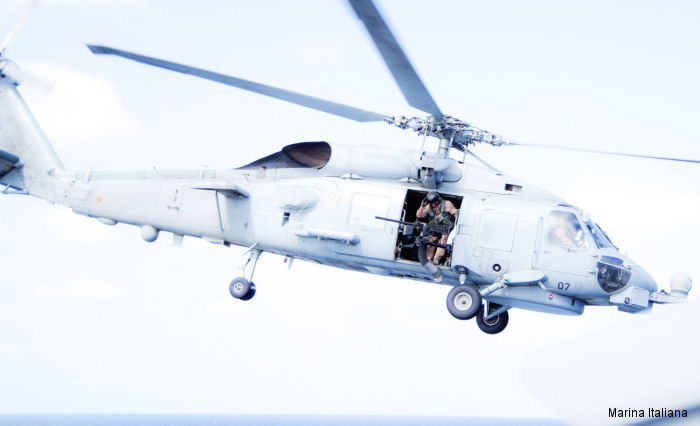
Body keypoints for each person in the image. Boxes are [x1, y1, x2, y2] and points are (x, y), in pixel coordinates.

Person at [416, 191, 458, 265]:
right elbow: (419, 215)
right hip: (434, 229)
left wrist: (452, 212)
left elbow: (456, 215)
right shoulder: (429, 206)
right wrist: (422, 206)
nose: (434, 205)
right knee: (430, 242)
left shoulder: (446, 204)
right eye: (432, 203)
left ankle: (436, 261)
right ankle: (428, 260)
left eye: (436, 202)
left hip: (446, 229)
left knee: (443, 242)